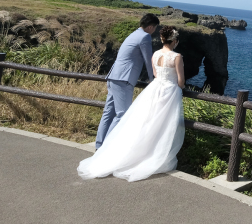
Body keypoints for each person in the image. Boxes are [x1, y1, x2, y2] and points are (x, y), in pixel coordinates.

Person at [78, 25, 185, 182]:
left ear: (162, 39)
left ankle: (132, 152)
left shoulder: (155, 54)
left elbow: (155, 74)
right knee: (162, 125)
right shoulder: (177, 57)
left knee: (146, 122)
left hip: (154, 89)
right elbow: (181, 82)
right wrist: (177, 84)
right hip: (169, 92)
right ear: (175, 40)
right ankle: (152, 153)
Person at [94, 13, 159, 150]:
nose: (154, 31)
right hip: (124, 79)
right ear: (150, 27)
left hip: (114, 76)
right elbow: (149, 60)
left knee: (108, 113)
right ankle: (106, 148)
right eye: (154, 28)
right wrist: (153, 79)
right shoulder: (145, 37)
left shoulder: (134, 34)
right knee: (122, 115)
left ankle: (99, 145)